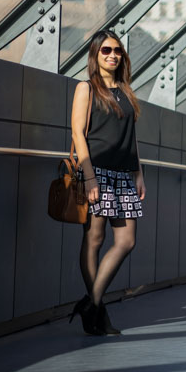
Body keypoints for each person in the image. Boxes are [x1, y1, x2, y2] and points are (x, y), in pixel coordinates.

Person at [69, 29, 145, 335]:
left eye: (117, 51)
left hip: (124, 174)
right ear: (95, 55)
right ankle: (99, 314)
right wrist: (89, 177)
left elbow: (131, 138)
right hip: (96, 171)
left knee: (126, 241)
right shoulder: (86, 89)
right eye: (106, 51)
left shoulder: (126, 92)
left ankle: (91, 303)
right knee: (95, 240)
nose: (113, 55)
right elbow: (77, 133)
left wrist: (139, 172)